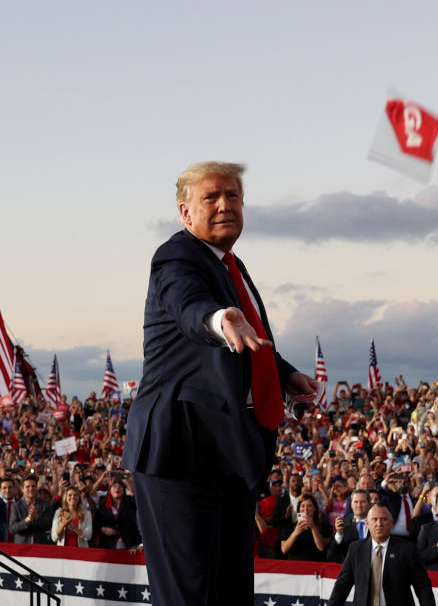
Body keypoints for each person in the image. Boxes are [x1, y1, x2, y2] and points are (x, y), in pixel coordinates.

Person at [123, 160, 318, 606]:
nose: (224, 204)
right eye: (210, 197)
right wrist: (218, 318)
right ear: (185, 213)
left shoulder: (232, 264)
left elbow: (250, 339)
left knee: (230, 593)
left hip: (229, 454)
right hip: (179, 454)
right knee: (190, 596)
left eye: (232, 196)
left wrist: (286, 374)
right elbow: (191, 307)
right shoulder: (176, 257)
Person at [328, 504, 436, 606]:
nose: (379, 524)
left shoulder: (407, 549)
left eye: (383, 519)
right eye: (374, 519)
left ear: (391, 523)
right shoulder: (356, 549)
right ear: (367, 523)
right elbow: (342, 586)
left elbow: (422, 586)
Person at [279, 493, 331, 561]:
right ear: (299, 509)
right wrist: (295, 533)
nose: (306, 509)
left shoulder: (325, 527)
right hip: (295, 568)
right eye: (302, 506)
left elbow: (321, 547)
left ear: (315, 509)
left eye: (309, 506)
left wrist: (313, 527)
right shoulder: (288, 527)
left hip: (316, 567)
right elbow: (284, 550)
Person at [93, 479, 141, 549]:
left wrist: (126, 481)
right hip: (109, 544)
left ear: (124, 490)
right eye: (114, 486)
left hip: (131, 544)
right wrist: (103, 529)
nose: (117, 488)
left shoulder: (130, 501)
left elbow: (139, 501)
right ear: (110, 490)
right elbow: (95, 524)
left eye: (120, 487)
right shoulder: (103, 504)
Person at [329, 489, 371, 563]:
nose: (359, 505)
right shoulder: (344, 523)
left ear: (369, 504)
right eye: (356, 502)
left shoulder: (376, 522)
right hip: (350, 567)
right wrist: (339, 534)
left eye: (362, 502)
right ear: (351, 505)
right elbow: (331, 554)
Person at [8, 475, 53, 544]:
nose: (31, 489)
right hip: (21, 547)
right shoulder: (15, 506)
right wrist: (28, 519)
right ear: (22, 489)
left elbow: (49, 524)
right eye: (27, 486)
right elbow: (12, 528)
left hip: (40, 546)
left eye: (33, 486)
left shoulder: (45, 505)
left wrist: (36, 518)